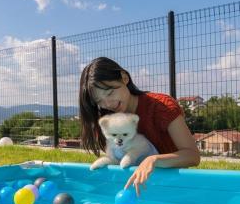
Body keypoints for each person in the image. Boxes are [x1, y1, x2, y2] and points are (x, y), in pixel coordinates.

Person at [79, 57, 200, 196]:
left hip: (174, 189)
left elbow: (193, 156)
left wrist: (153, 160)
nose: (108, 103)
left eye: (110, 92)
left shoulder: (162, 106)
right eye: (99, 100)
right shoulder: (108, 120)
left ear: (124, 78)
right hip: (135, 190)